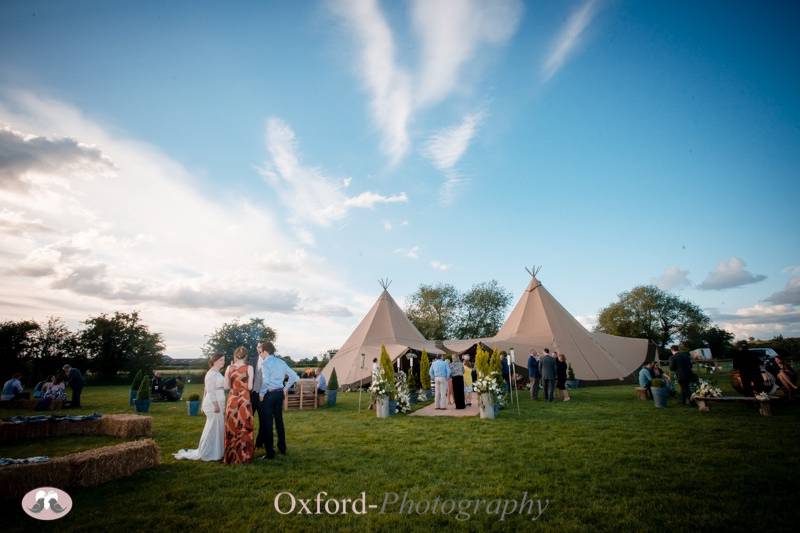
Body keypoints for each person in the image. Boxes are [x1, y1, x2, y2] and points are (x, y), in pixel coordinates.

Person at [174, 353, 226, 461]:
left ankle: (216, 451)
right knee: (212, 428)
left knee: (217, 428)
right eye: (221, 360)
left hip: (218, 403)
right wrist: (215, 405)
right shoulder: (211, 374)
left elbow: (205, 390)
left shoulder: (217, 373)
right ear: (214, 361)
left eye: (223, 360)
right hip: (213, 404)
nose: (223, 362)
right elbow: (210, 391)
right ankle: (207, 452)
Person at [257, 341, 299, 460]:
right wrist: (285, 388)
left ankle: (270, 453)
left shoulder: (265, 363)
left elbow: (266, 381)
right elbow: (295, 376)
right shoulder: (281, 362)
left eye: (261, 352)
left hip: (269, 395)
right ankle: (282, 448)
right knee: (279, 421)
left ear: (265, 351)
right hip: (279, 394)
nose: (260, 354)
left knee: (268, 423)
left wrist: (261, 393)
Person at [224, 346, 254, 464]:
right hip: (244, 399)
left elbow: (226, 387)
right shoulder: (249, 368)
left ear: (235, 355)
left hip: (232, 399)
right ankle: (244, 456)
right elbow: (250, 387)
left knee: (231, 426)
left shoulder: (229, 368)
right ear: (246, 356)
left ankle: (231, 457)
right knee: (244, 426)